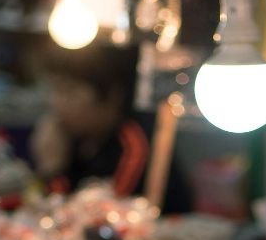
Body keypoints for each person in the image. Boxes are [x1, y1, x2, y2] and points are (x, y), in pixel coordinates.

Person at [30, 42, 188, 210]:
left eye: (69, 91)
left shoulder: (134, 143)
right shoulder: (73, 138)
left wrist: (54, 171)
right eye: (55, 90)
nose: (57, 103)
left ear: (112, 96)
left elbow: (105, 218)